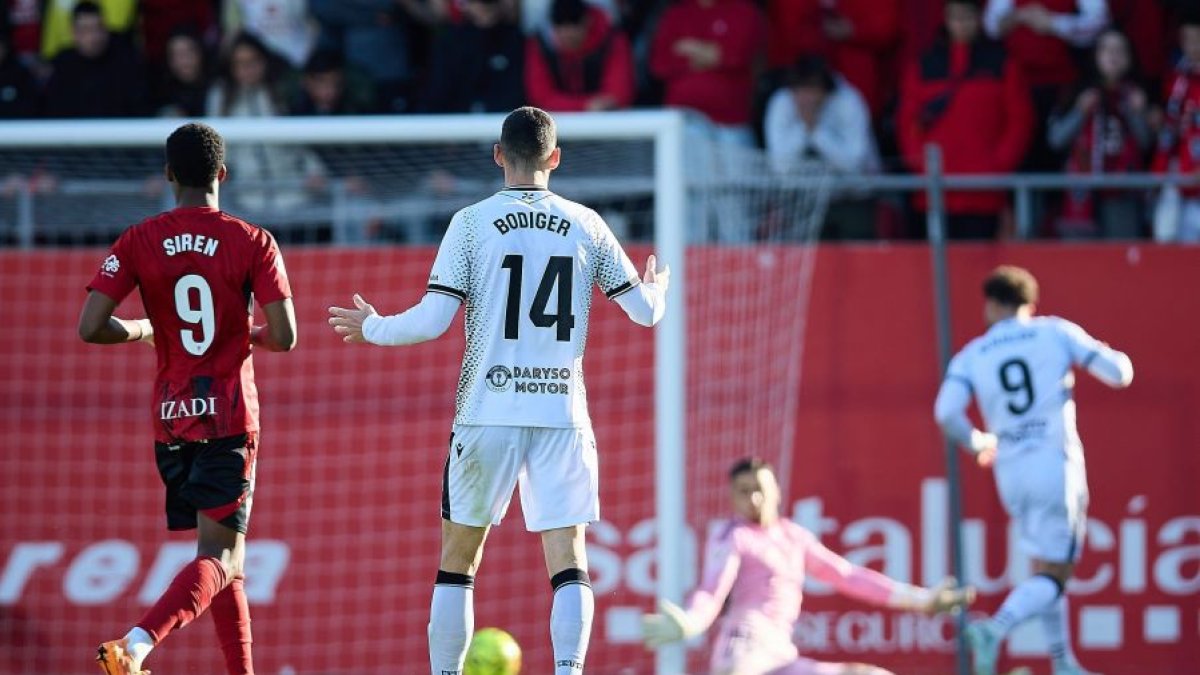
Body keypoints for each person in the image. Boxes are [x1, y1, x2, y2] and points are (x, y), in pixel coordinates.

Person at [327, 106, 670, 675]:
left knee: (459, 562)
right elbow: (645, 314)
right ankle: (568, 670)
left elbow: (433, 321)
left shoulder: (471, 222)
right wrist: (657, 289)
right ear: (555, 158)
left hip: (488, 409)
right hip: (562, 413)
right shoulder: (586, 222)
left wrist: (373, 328)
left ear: (497, 155)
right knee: (570, 563)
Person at [81, 122, 297, 675]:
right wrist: (240, 333)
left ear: (169, 175)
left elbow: (92, 326)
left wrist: (148, 330)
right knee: (220, 558)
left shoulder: (138, 239)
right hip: (228, 413)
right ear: (223, 174)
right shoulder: (252, 240)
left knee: (227, 562)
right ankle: (134, 645)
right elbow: (285, 335)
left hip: (172, 419)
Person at [934, 265, 1133, 675]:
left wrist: (977, 443)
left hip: (1009, 470)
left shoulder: (973, 353)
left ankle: (1062, 662)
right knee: (1058, 571)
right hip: (1054, 464)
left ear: (992, 305)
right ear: (1031, 303)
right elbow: (1118, 375)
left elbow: (945, 412)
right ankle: (996, 628)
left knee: (1044, 565)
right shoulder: (1055, 331)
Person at [640, 458, 975, 675]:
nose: (753, 499)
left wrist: (922, 599)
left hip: (781, 655)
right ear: (732, 497)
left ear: (776, 491)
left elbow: (849, 576)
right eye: (743, 492)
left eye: (759, 489)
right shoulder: (733, 536)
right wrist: (691, 622)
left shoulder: (794, 536)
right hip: (744, 647)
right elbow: (711, 590)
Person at [897, 0, 1033, 240]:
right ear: (946, 20)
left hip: (984, 193)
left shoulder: (1002, 63)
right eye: (955, 17)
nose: (961, 24)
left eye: (967, 17)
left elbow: (1020, 120)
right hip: (934, 192)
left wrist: (997, 166)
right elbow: (908, 122)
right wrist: (922, 165)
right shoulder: (924, 66)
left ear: (978, 19)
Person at [1047, 28, 1152, 239]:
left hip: (1123, 194)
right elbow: (1056, 140)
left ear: (1130, 58)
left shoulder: (1138, 93)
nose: (1113, 56)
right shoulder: (1076, 92)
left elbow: (1147, 143)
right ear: (1095, 56)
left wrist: (1137, 113)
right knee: (1081, 264)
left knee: (1119, 262)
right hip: (1080, 193)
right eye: (1106, 50)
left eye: (1120, 50)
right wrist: (1079, 112)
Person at [525, 0, 635, 113]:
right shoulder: (540, 44)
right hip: (555, 123)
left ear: (587, 22)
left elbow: (618, 96)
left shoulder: (612, 40)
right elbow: (540, 98)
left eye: (573, 26)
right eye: (561, 27)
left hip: (607, 122)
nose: (567, 34)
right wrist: (586, 105)